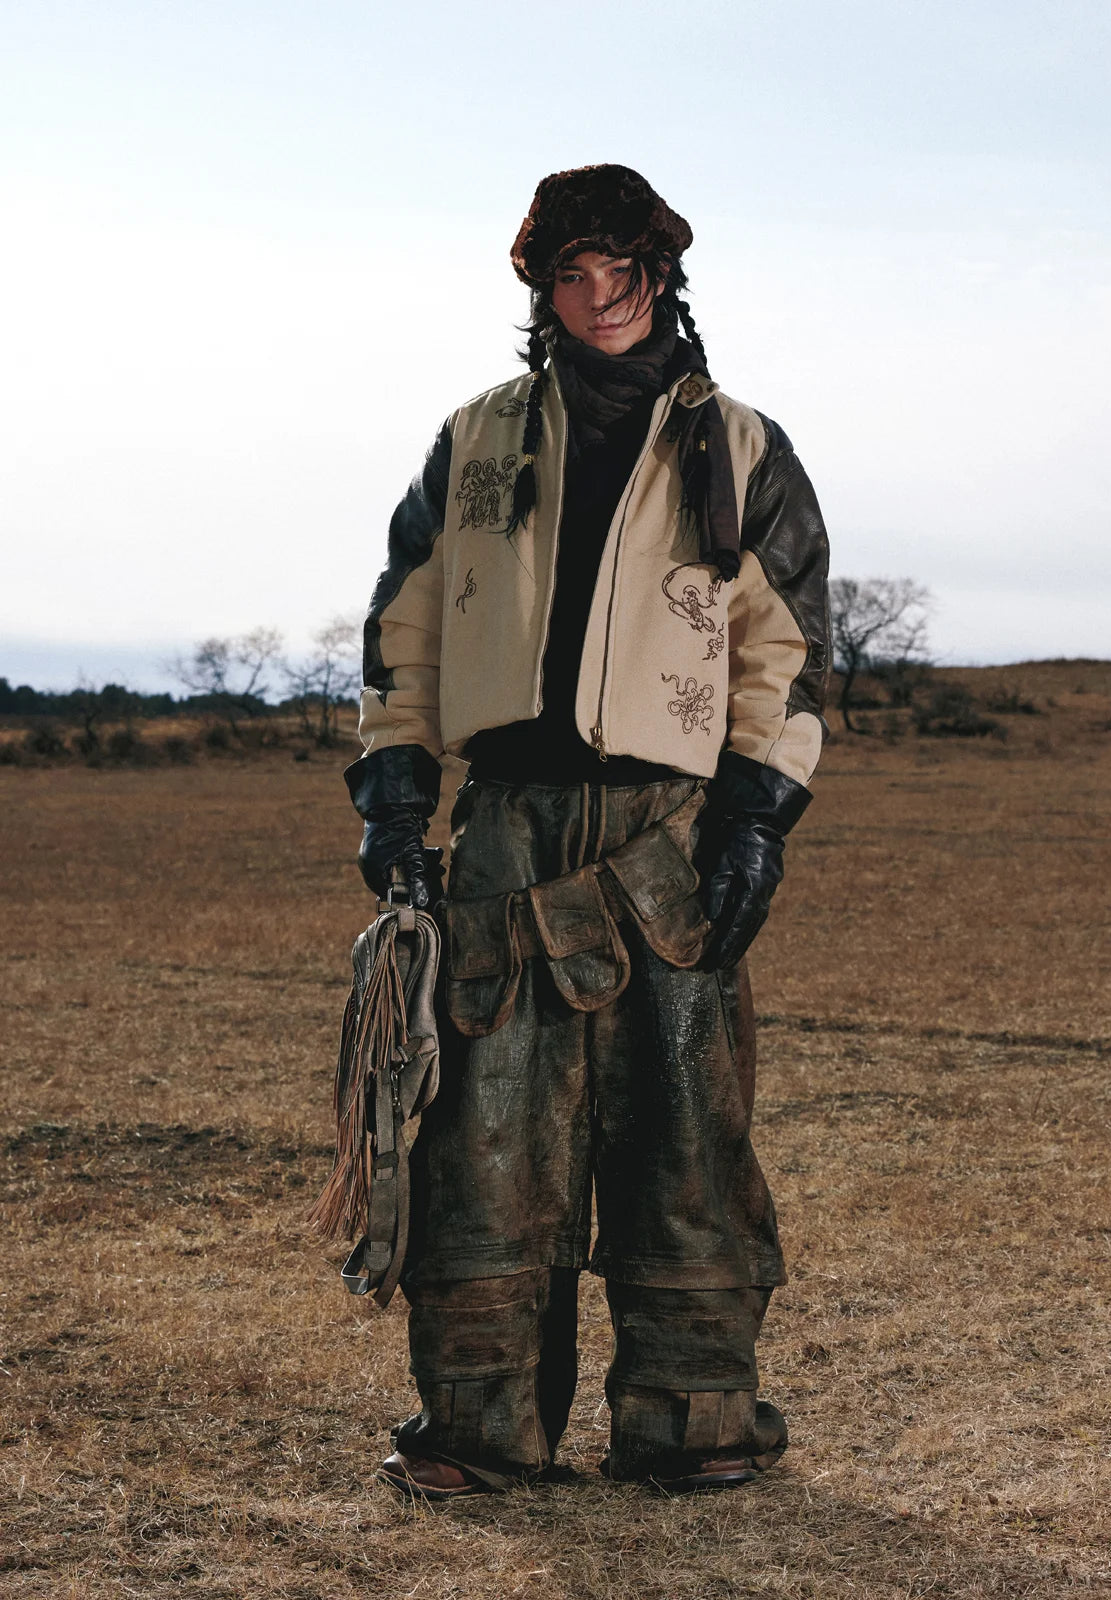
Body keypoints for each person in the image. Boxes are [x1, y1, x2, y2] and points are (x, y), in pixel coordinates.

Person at [345, 164, 830, 1497]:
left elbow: (783, 650)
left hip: (674, 835)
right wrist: (396, 799)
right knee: (484, 1137)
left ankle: (696, 1423)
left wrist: (756, 821)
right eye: (574, 273)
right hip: (503, 829)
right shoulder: (475, 441)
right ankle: (481, 1429)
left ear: (661, 276)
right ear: (541, 289)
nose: (602, 296)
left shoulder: (743, 448)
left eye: (624, 270)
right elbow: (404, 630)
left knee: (686, 1131)